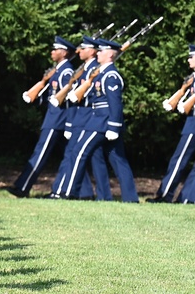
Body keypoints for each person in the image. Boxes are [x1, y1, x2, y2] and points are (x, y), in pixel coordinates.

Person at [60, 38, 138, 202]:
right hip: (99, 120)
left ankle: (70, 191)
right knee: (118, 160)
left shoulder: (110, 76)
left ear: (110, 55)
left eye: (102, 51)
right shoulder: (100, 73)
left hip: (103, 122)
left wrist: (114, 127)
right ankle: (130, 199)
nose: (98, 53)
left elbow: (115, 104)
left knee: (79, 152)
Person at [9, 36, 76, 197]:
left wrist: (69, 124)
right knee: (70, 155)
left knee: (40, 153)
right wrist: (35, 96)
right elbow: (51, 94)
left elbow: (67, 98)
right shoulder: (58, 69)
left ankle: (23, 187)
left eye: (55, 49)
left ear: (64, 52)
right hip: (54, 118)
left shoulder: (66, 71)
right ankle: (83, 191)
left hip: (57, 119)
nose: (52, 52)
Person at [149, 45, 195, 202]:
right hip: (191, 121)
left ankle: (167, 195)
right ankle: (187, 199)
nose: (189, 59)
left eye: (192, 57)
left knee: (179, 160)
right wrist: (182, 91)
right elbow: (172, 105)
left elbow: (184, 107)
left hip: (193, 123)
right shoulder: (192, 78)